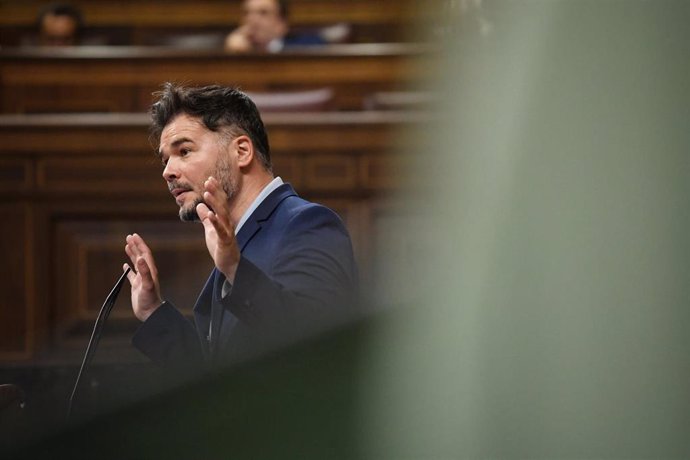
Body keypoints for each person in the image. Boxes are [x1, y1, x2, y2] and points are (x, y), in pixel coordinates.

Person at [124, 83, 357, 370]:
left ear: (242, 151)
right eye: (165, 159)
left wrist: (235, 268)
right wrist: (153, 312)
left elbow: (317, 345)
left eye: (184, 151)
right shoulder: (237, 243)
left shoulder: (306, 224)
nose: (167, 171)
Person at [224, 0, 326, 53]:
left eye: (263, 13)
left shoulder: (308, 45)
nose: (252, 20)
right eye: (246, 13)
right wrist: (232, 54)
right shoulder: (230, 47)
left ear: (281, 24)